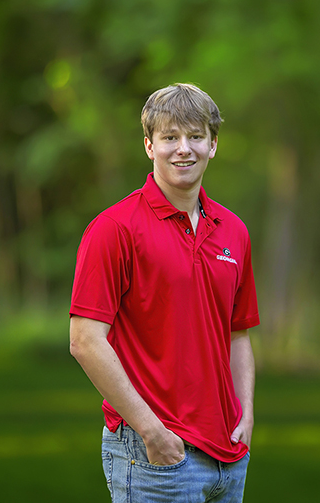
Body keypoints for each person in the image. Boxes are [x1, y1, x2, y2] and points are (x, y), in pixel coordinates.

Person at [69, 83, 259, 503]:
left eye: (194, 137)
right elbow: (85, 341)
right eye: (170, 137)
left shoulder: (234, 231)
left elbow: (238, 333)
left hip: (228, 454)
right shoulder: (114, 229)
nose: (183, 149)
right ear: (149, 146)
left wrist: (245, 414)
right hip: (156, 453)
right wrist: (152, 431)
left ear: (213, 145)